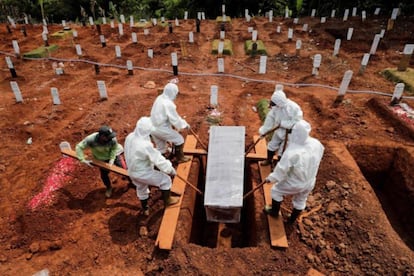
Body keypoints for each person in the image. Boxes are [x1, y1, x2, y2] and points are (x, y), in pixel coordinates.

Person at [263, 120, 325, 223]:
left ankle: (274, 212)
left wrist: (271, 178)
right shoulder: (316, 144)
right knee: (301, 200)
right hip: (310, 181)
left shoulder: (293, 151)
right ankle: (292, 220)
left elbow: (281, 170)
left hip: (294, 182)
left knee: (276, 191)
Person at [124, 117, 180, 216]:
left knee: (141, 188)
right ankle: (168, 201)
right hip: (143, 172)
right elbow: (159, 160)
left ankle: (145, 209)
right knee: (165, 180)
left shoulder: (130, 137)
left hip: (132, 172)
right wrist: (170, 170)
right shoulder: (145, 145)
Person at [259, 84, 303, 167]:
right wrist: (263, 132)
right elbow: (269, 120)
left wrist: (286, 125)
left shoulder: (293, 108)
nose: (272, 105)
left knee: (283, 150)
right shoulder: (275, 108)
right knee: (272, 145)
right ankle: (269, 160)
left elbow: (298, 121)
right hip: (278, 130)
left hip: (289, 133)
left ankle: (278, 166)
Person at [76, 125, 125, 198]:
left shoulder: (112, 139)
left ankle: (133, 182)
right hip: (101, 158)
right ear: (102, 136)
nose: (111, 138)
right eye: (108, 136)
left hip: (115, 154)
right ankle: (109, 188)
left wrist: (112, 159)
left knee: (124, 169)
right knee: (104, 175)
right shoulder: (91, 139)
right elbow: (79, 147)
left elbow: (114, 149)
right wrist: (82, 159)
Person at [150, 82, 190, 163]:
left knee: (161, 148)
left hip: (152, 127)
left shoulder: (160, 98)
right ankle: (179, 158)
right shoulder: (169, 104)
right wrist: (184, 125)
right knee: (179, 139)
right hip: (161, 128)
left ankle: (160, 164)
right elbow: (175, 119)